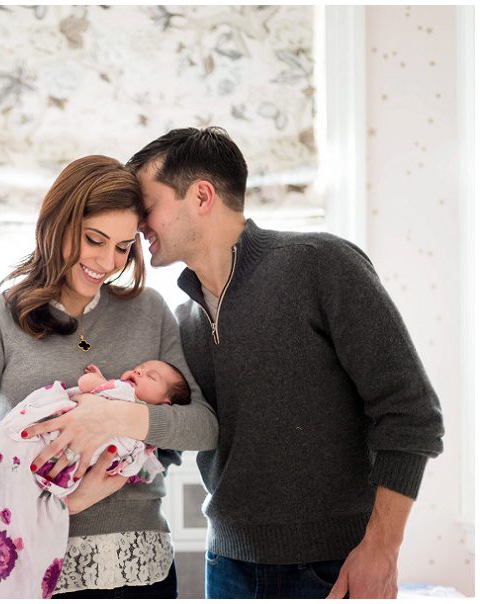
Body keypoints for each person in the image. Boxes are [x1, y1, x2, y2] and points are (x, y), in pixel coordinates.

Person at [123, 126, 445, 599]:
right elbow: (171, 436)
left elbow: (412, 414)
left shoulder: (321, 264)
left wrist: (381, 549)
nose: (137, 226)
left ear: (201, 195)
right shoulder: (181, 321)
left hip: (334, 567)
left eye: (146, 207)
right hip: (227, 567)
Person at [0, 155, 218, 598]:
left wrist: (111, 419)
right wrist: (63, 501)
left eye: (123, 247)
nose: (107, 261)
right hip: (46, 576)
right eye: (93, 239)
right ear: (57, 224)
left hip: (144, 573)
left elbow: (202, 426)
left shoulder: (149, 311)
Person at [0, 360, 191, 598]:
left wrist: (99, 382)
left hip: (145, 562)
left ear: (166, 404)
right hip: (77, 565)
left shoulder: (135, 404)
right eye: (141, 367)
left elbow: (88, 385)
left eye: (152, 376)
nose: (140, 371)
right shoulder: (124, 396)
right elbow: (90, 388)